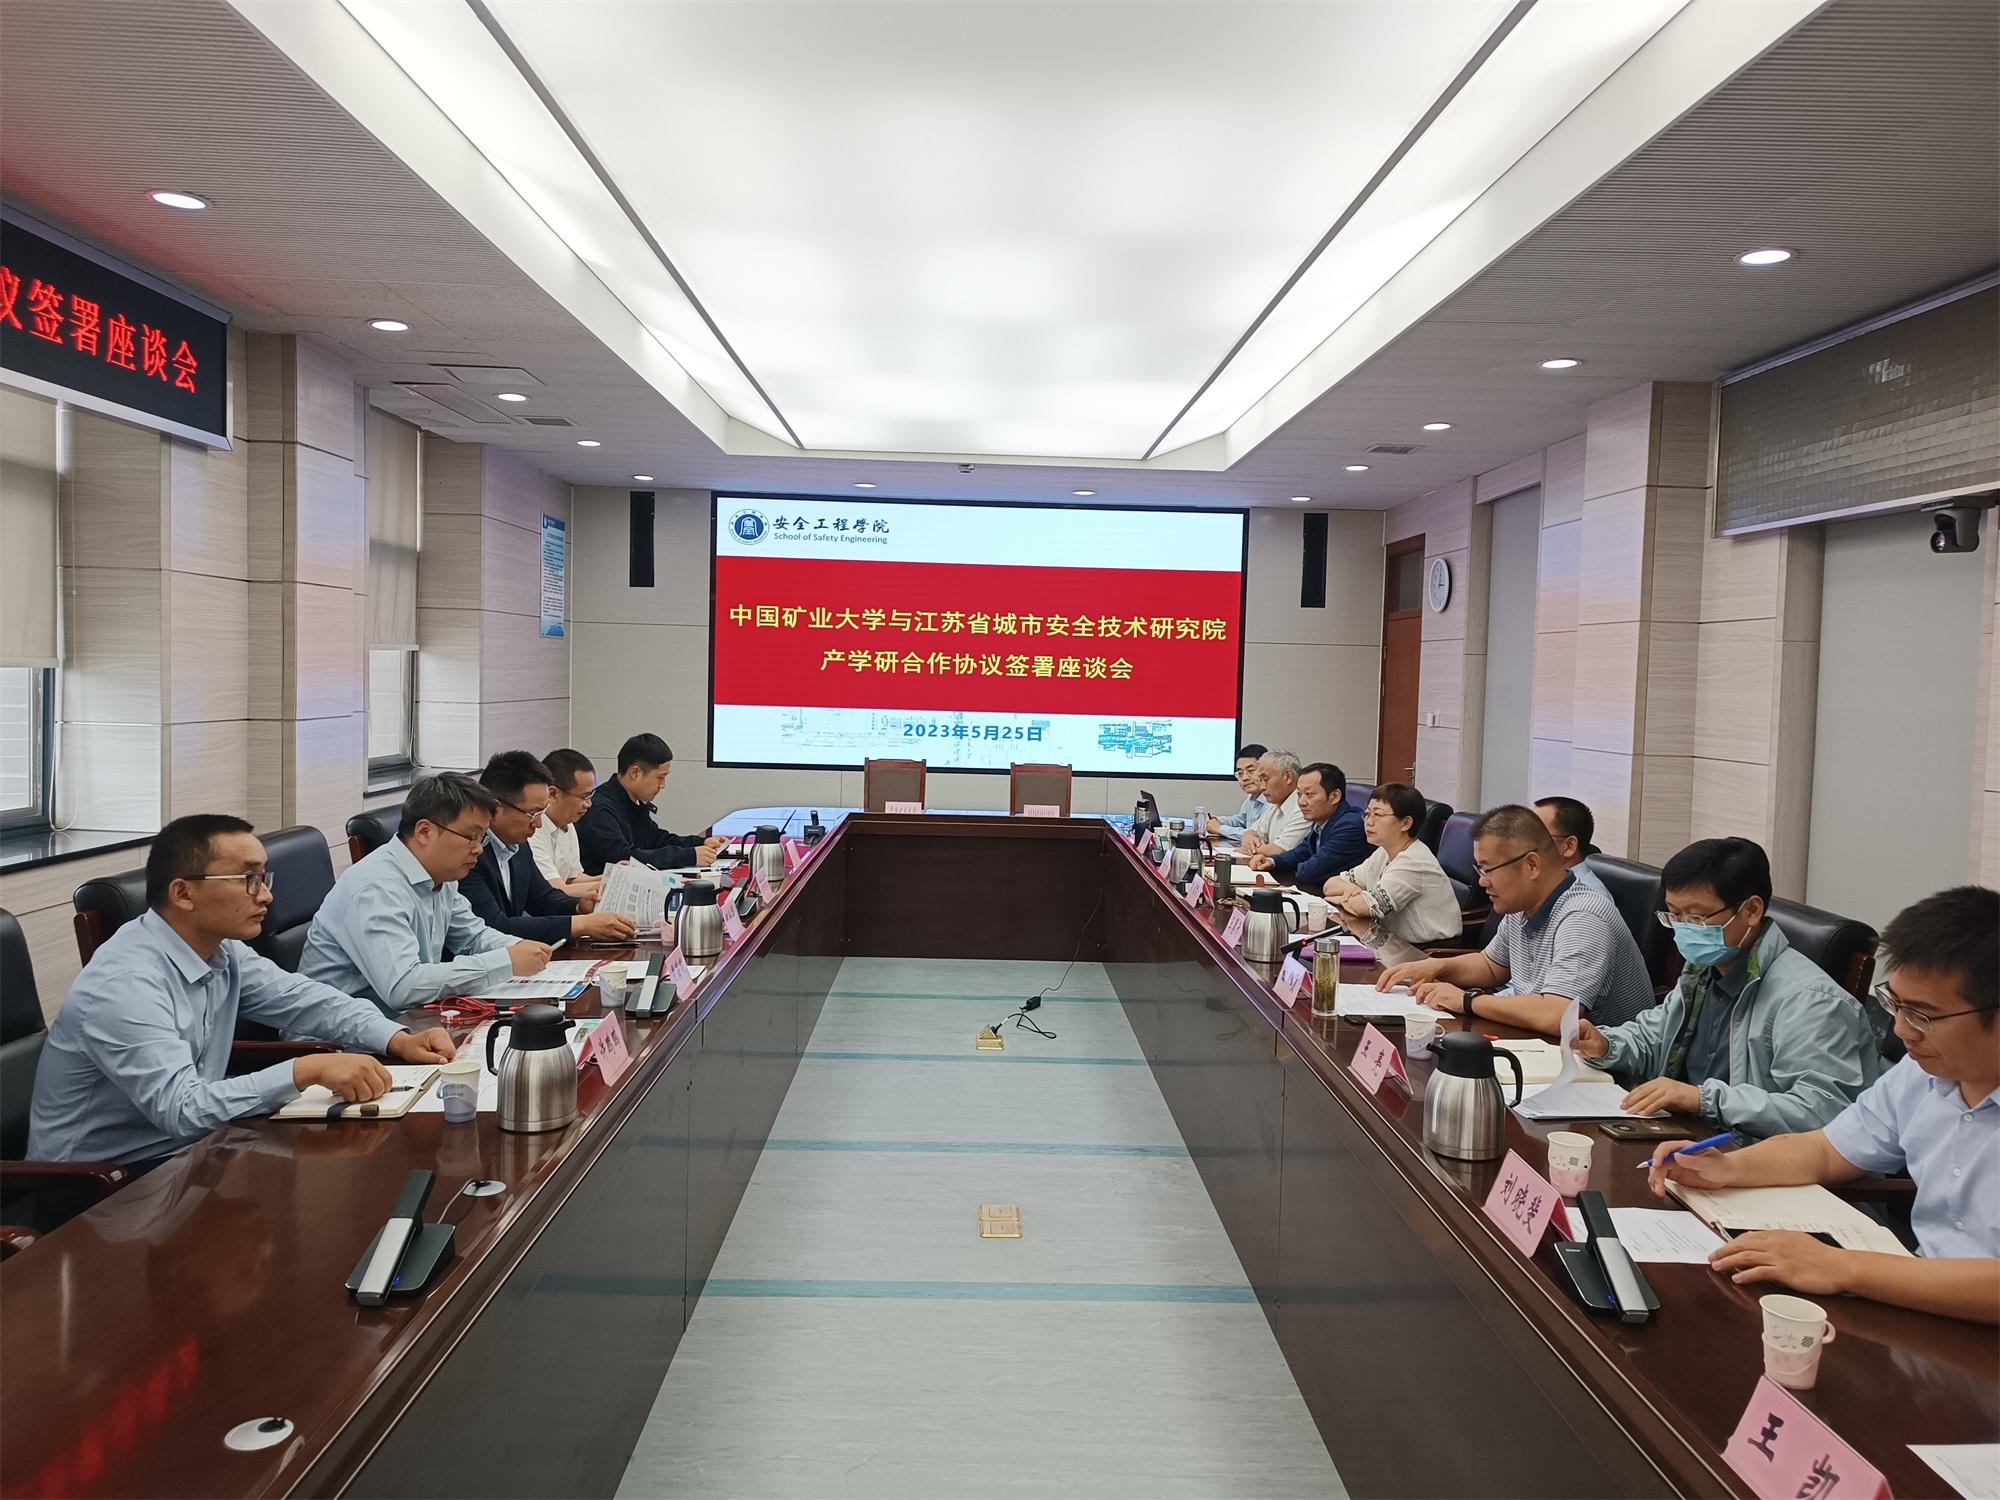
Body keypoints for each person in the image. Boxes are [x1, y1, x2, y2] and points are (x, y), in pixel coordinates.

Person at [1649, 885, 1999, 1325]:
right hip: (1921, 1307)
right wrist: (1729, 1168)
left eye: (1923, 1015)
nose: (1901, 1030)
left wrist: (1841, 1267)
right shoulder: (1922, 1073)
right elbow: (1828, 1149)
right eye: (1895, 1004)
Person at [28, 815, 457, 1166]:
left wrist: (397, 1038)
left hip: (194, 1152)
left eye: (264, 877)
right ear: (183, 893)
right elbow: (182, 1110)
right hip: (102, 1186)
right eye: (248, 879)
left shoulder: (221, 950)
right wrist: (302, 1071)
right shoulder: (125, 986)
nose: (266, 895)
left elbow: (307, 1001)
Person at [1572, 838, 1879, 1136]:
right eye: (1675, 915)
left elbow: (1822, 1112)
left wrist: (1702, 1099)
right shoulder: (1704, 970)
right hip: (1687, 1135)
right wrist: (1606, 1044)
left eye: (1696, 916)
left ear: (1751, 911)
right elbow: (1655, 1038)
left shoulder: (1811, 1001)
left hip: (1755, 1154)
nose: (1683, 929)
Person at [1377, 803, 1654, 1032]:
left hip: (1601, 1066)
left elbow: (1558, 1014)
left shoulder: (1583, 917)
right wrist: (1436, 967)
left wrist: (1467, 1000)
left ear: (1532, 864)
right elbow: (1491, 966)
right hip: (1538, 1043)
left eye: (1488, 869)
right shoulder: (1522, 904)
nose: (1482, 881)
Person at [302, 773, 551, 1016]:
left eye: (482, 839)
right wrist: (505, 962)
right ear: (424, 832)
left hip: (406, 1020)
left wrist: (517, 948)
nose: (478, 849)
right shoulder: (375, 888)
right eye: (471, 837)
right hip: (337, 1036)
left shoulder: (441, 875)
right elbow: (403, 986)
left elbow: (473, 937)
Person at [461, 751, 638, 946]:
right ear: (496, 808)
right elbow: (496, 927)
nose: (538, 823)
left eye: (542, 812)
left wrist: (579, 907)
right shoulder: (469, 855)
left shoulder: (517, 845)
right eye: (532, 813)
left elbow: (542, 898)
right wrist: (581, 924)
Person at [1319, 782, 1461, 965]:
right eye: (1367, 814)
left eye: (1378, 815)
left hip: (1427, 954)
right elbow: (1330, 884)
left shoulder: (1413, 862)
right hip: (1391, 943)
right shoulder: (1384, 852)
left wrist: (1348, 897)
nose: (1369, 822)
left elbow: (1362, 907)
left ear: (1406, 823)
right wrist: (1352, 892)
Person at [575, 733, 726, 875]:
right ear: (635, 773)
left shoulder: (633, 801)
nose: (663, 785)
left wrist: (700, 843)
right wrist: (689, 856)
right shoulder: (599, 808)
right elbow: (624, 857)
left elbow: (655, 839)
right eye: (660, 777)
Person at [1246, 763, 1367, 894]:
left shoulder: (1350, 826)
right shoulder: (1322, 819)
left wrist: (1299, 866)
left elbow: (1310, 872)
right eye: (1299, 794)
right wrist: (1271, 862)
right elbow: (1301, 853)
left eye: (1309, 794)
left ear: (1335, 796)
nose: (1301, 802)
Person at [529, 747, 603, 901]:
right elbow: (556, 889)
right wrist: (605, 886)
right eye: (584, 797)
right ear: (552, 794)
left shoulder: (568, 823)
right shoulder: (532, 830)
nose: (588, 804)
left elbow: (571, 878)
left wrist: (610, 877)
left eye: (590, 796)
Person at [1235, 750, 1310, 857]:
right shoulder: (1276, 804)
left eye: (1265, 779)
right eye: (1260, 780)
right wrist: (1248, 837)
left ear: (1288, 776)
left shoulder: (1303, 808)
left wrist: (1249, 847)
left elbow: (1278, 852)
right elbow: (1251, 832)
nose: (1262, 787)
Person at [1534, 795, 1607, 895]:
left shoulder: (1587, 897)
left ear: (1569, 846)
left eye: (1535, 834)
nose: (1523, 842)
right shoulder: (1542, 881)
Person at [1206, 743, 1269, 838]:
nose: (1244, 778)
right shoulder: (1252, 797)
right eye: (1240, 773)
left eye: (1251, 771)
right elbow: (1240, 821)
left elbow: (1257, 835)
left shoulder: (1272, 800)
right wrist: (1218, 820)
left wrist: (1219, 829)